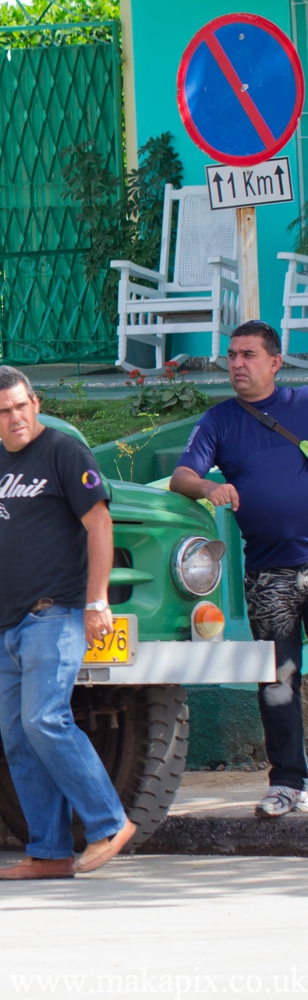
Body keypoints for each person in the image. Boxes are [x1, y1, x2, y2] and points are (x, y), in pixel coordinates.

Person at [0, 366, 135, 880]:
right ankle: (48, 852)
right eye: (3, 410)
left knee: (45, 720)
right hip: (9, 624)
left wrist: (97, 602)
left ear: (36, 403)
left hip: (57, 613)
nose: (15, 416)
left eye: (22, 405)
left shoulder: (64, 452)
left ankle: (109, 824)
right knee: (20, 739)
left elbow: (99, 523)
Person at [171, 320, 308, 818]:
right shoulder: (220, 420)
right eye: (231, 355)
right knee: (278, 681)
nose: (237, 364)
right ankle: (287, 783)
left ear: (275, 362)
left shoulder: (304, 403)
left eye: (248, 355)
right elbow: (183, 475)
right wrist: (209, 488)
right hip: (269, 574)